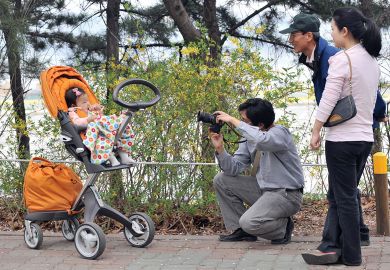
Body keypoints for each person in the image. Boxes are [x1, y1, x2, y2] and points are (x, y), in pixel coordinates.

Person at [279, 12, 386, 248]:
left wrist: (377, 113)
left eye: (294, 35)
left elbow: (340, 95)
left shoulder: (333, 57)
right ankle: (358, 234)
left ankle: (334, 244)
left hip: (349, 132)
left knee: (339, 194)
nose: (290, 40)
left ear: (309, 36)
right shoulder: (318, 58)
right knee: (345, 190)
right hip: (356, 131)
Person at [210, 98, 304, 244]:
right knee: (221, 180)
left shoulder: (280, 133)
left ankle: (283, 227)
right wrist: (220, 150)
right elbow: (233, 168)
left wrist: (233, 121)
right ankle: (241, 231)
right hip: (263, 190)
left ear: (260, 124)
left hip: (286, 195)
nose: (241, 124)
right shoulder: (250, 139)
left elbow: (263, 141)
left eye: (244, 121)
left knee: (249, 222)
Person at [65, 87, 135, 166]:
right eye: (84, 102)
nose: (88, 103)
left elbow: (99, 119)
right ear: (74, 106)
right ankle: (111, 158)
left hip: (104, 130)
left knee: (123, 128)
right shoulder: (73, 112)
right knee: (102, 141)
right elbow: (76, 122)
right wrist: (88, 120)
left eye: (88, 101)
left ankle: (124, 155)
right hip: (93, 134)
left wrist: (98, 110)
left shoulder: (89, 110)